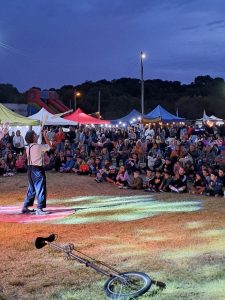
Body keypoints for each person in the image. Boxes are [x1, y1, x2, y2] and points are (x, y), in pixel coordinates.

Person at [21, 130, 51, 215]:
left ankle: (25, 206)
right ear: (33, 137)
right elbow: (49, 146)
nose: (37, 135)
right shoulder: (38, 146)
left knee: (32, 189)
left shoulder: (28, 147)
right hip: (37, 169)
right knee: (40, 188)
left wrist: (40, 135)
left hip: (30, 169)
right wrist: (44, 135)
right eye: (35, 134)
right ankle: (39, 208)